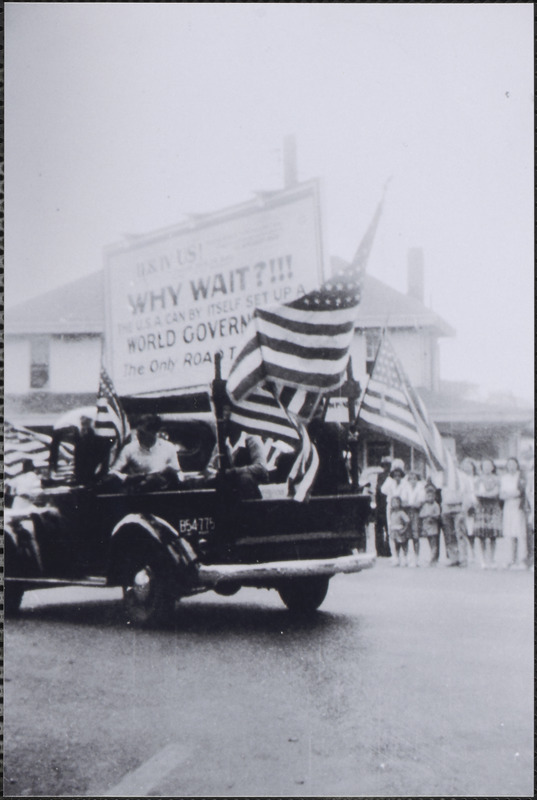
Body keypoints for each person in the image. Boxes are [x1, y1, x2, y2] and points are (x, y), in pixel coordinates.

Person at [205, 406, 268, 499]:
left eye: (227, 422)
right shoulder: (221, 443)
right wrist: (216, 473)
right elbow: (210, 468)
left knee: (245, 479)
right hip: (228, 490)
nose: (223, 426)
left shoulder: (252, 439)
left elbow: (261, 467)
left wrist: (233, 472)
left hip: (249, 489)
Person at [110, 414, 183, 491]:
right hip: (138, 493)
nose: (138, 436)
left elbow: (179, 472)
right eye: (137, 432)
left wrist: (172, 476)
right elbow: (113, 472)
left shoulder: (169, 447)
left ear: (153, 433)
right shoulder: (129, 449)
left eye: (142, 433)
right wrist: (128, 478)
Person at [473, 458, 502, 569]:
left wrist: (485, 494)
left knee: (493, 534)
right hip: (481, 508)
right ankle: (483, 559)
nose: (487, 468)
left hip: (493, 507)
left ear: (493, 467)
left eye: (489, 465)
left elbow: (496, 493)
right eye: (485, 465)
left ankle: (492, 558)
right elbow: (475, 492)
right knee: (482, 534)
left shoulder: (497, 479)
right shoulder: (478, 479)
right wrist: (484, 494)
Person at [500, 457, 527, 569]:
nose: (511, 466)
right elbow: (502, 495)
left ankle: (521, 560)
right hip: (508, 507)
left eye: (513, 464)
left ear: (517, 465)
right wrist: (512, 494)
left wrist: (511, 494)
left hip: (518, 506)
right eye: (509, 464)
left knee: (520, 533)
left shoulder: (521, 477)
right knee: (509, 533)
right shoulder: (504, 478)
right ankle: (510, 559)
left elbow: (520, 492)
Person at [381, 459, 406, 561]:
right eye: (395, 472)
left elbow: (405, 495)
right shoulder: (389, 481)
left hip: (401, 508)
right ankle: (394, 555)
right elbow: (383, 490)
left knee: (402, 530)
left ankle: (403, 555)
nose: (397, 476)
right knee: (391, 529)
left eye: (399, 472)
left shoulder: (404, 481)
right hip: (391, 508)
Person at [400, 471, 425, 567]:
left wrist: (412, 504)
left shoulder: (420, 487)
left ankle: (417, 558)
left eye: (414, 478)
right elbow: (403, 502)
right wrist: (412, 504)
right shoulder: (405, 487)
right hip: (407, 512)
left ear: (417, 479)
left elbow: (420, 503)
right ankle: (406, 557)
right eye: (410, 479)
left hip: (416, 514)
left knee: (416, 536)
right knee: (406, 535)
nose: (412, 481)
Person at [459, 458, 478, 564]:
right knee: (464, 530)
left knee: (472, 531)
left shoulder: (476, 479)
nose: (467, 468)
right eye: (464, 465)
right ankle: (466, 553)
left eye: (469, 465)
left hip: (474, 505)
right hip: (463, 505)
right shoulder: (460, 478)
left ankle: (473, 552)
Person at [419, 483, 442, 566]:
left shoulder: (436, 505)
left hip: (433, 526)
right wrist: (426, 516)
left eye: (431, 496)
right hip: (426, 526)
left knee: (434, 542)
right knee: (428, 541)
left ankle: (433, 558)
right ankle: (431, 556)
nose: (430, 498)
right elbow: (421, 515)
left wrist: (431, 516)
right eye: (428, 496)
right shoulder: (425, 505)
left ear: (434, 497)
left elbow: (437, 515)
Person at [374, 457, 392, 557]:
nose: (386, 467)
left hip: (387, 505)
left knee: (388, 528)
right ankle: (380, 550)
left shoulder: (391, 476)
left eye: (387, 465)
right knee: (379, 529)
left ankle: (388, 550)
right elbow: (378, 491)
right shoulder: (380, 476)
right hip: (380, 505)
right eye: (384, 465)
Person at [389, 496, 411, 567]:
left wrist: (404, 529)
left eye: (396, 502)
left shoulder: (401, 512)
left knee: (403, 545)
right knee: (396, 545)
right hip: (394, 531)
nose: (395, 504)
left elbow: (407, 521)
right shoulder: (392, 513)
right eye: (393, 502)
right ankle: (397, 559)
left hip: (400, 530)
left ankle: (406, 558)